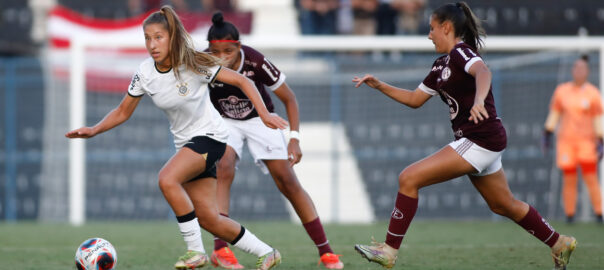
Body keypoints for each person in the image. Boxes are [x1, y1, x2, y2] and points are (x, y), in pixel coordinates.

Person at [351, 2, 577, 269]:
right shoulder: (441, 65)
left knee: (408, 178)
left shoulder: (461, 52)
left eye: (432, 28)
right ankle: (559, 242)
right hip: (482, 140)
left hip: (479, 139)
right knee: (503, 204)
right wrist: (379, 85)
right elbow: (414, 99)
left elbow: (483, 71)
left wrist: (480, 100)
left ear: (446, 27)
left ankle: (389, 250)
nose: (429, 34)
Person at [65, 6, 287, 270]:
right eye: (147, 38)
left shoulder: (192, 62)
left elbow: (243, 81)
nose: (152, 44)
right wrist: (93, 129)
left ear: (172, 38)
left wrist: (263, 114)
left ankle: (195, 252)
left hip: (211, 138)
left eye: (158, 37)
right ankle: (268, 252)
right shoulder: (145, 72)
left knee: (167, 179)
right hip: (188, 144)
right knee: (209, 219)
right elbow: (123, 111)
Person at [203, 12, 344, 270]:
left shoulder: (256, 61)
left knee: (287, 180)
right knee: (223, 167)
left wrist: (294, 139)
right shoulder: (202, 64)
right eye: (215, 51)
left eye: (227, 51)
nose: (221, 57)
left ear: (238, 46)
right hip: (224, 120)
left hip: (262, 119)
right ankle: (220, 249)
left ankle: (326, 251)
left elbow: (290, 98)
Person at [542, 55, 604, 224]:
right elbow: (555, 113)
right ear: (572, 70)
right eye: (576, 68)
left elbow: (598, 117)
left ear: (587, 71)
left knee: (591, 178)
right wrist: (547, 132)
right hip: (566, 142)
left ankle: (599, 212)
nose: (579, 71)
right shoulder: (562, 91)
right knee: (569, 179)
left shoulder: (593, 93)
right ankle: (570, 214)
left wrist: (601, 139)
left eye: (582, 68)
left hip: (586, 142)